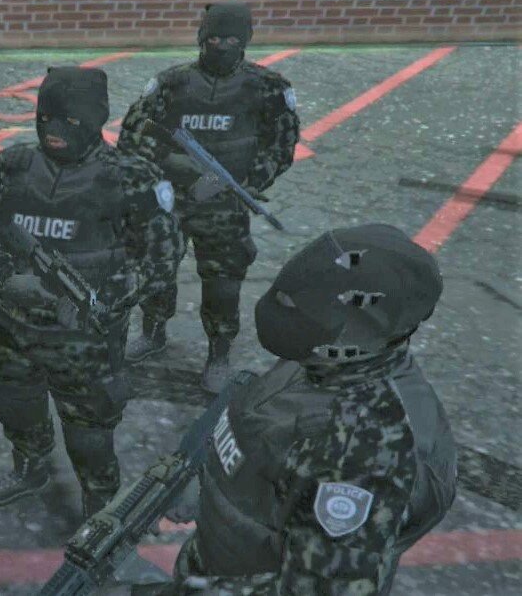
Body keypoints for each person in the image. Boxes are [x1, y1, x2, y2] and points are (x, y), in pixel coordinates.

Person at [134, 224, 457, 595]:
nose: (283, 310)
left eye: (303, 307)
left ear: (363, 326)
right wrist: (206, 481)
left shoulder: (365, 450)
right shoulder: (325, 360)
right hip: (218, 561)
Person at [0, 66, 184, 518]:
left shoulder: (131, 178)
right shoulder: (13, 166)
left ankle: (100, 509)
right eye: (46, 119)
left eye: (70, 121)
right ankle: (30, 468)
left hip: (85, 340)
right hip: (12, 327)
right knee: (15, 405)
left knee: (90, 435)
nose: (54, 131)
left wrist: (107, 299)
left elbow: (162, 257)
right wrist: (4, 278)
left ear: (95, 120)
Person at [118, 2, 301, 393]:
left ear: (244, 41)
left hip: (225, 205)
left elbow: (281, 145)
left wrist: (250, 180)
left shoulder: (269, 87)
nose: (220, 46)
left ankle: (219, 354)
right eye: (213, 38)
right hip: (169, 200)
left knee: (223, 285)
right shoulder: (172, 83)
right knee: (156, 270)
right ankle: (153, 332)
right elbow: (134, 135)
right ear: (202, 38)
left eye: (230, 40)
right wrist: (170, 163)